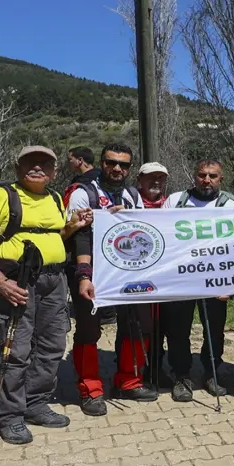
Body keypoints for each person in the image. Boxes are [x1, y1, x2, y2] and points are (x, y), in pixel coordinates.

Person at [0, 146, 92, 445]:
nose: (37, 168)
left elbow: (52, 237)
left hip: (53, 280)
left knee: (52, 345)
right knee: (14, 351)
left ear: (53, 171)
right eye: (30, 163)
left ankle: (35, 403)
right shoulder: (2, 195)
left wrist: (73, 226)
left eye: (45, 164)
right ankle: (7, 416)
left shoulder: (52, 197)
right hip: (16, 281)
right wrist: (0, 282)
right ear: (17, 167)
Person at [68, 144, 158, 417]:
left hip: (127, 271)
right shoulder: (83, 193)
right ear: (102, 163)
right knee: (88, 329)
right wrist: (84, 275)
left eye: (124, 165)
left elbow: (143, 231)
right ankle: (90, 389)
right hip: (91, 271)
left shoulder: (132, 195)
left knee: (139, 324)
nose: (117, 169)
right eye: (111, 162)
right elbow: (77, 236)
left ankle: (128, 381)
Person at [162, 159, 234, 402]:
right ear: (194, 176)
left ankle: (211, 372)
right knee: (178, 330)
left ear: (220, 179)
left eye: (212, 176)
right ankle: (182, 375)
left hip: (216, 278)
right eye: (202, 175)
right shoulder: (175, 201)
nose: (207, 180)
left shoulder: (231, 206)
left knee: (214, 330)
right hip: (180, 278)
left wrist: (231, 284)